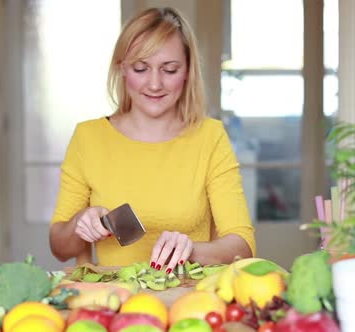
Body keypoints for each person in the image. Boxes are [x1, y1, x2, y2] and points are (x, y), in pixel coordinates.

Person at [49, 7, 255, 273]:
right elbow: (59, 248)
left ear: (187, 71)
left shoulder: (210, 137)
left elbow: (243, 245)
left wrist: (192, 250)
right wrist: (81, 222)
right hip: (114, 302)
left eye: (169, 70)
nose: (155, 84)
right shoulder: (89, 138)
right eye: (140, 68)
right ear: (122, 68)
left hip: (191, 300)